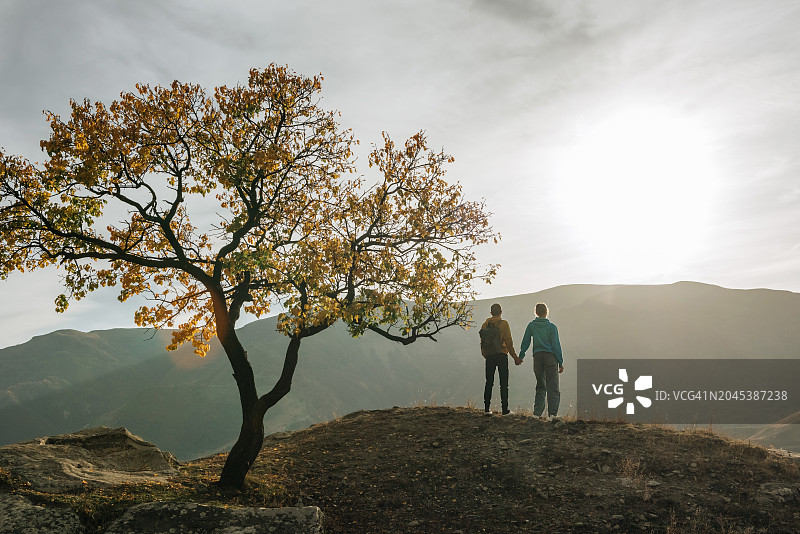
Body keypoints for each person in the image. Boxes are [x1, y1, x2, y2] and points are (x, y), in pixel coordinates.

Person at [518, 302, 564, 420]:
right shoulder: (552, 327)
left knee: (540, 386)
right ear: (546, 312)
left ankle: (537, 413)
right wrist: (560, 362)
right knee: (552, 386)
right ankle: (552, 415)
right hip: (550, 358)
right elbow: (556, 346)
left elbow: (525, 342)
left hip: (537, 357)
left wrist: (521, 356)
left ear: (536, 313)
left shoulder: (531, 326)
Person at [480, 303, 521, 415]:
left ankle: (487, 409)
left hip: (489, 356)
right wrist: (515, 357)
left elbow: (482, 342)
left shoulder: (485, 324)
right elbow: (509, 343)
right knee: (504, 383)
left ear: (491, 313)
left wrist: (485, 355)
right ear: (501, 312)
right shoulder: (504, 324)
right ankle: (504, 409)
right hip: (502, 355)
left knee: (489, 382)